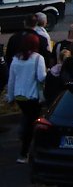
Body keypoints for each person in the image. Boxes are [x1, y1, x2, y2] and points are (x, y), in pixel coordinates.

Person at [6, 34, 46, 163]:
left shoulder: (15, 59)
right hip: (33, 96)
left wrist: (10, 97)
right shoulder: (38, 58)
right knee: (32, 123)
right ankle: (25, 153)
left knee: (28, 119)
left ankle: (24, 145)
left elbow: (11, 80)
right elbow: (41, 77)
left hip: (19, 96)